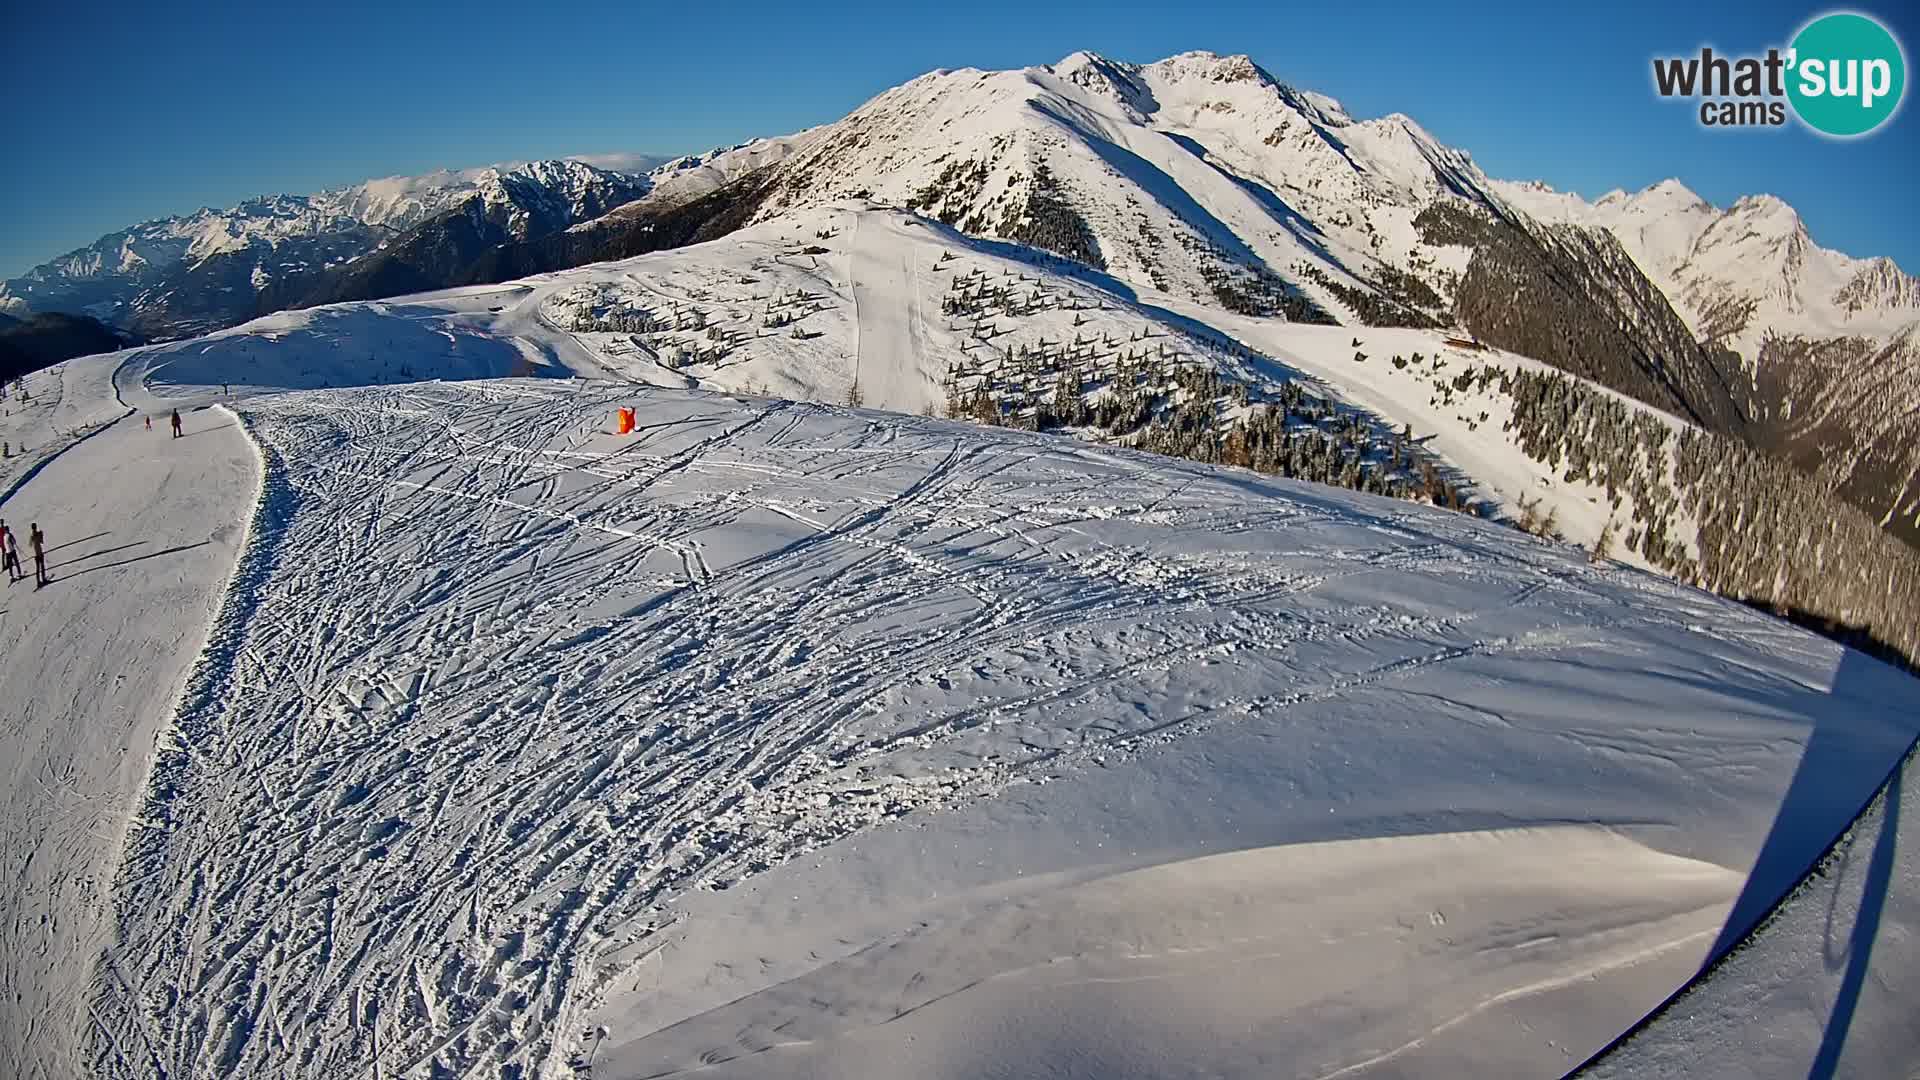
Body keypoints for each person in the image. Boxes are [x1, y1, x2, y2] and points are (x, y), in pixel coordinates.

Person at [29, 523, 47, 589]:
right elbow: (41, 542)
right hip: (39, 552)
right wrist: (41, 535)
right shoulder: (38, 534)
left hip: (35, 554)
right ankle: (43, 579)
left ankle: (38, 582)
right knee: (42, 566)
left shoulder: (32, 535)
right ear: (36, 527)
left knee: (37, 568)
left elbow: (30, 544)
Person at [0, 519, 18, 584]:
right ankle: (5, 565)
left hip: (4, 543)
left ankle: (5, 565)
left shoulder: (2, 529)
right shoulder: (2, 530)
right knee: (5, 554)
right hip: (4, 543)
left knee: (5, 554)